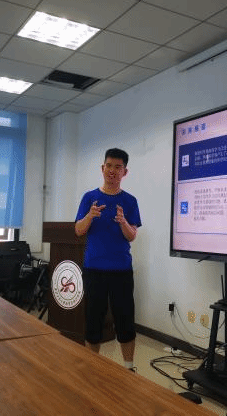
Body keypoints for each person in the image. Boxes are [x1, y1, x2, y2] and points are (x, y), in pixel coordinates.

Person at [75, 148, 142, 371]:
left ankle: (129, 367)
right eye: (109, 166)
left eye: (118, 167)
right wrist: (90, 215)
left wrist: (123, 222)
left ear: (125, 172)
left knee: (125, 319)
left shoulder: (130, 201)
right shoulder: (89, 198)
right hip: (94, 268)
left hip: (121, 270)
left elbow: (132, 235)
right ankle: (91, 366)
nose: (112, 171)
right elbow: (78, 230)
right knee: (93, 319)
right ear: (102, 168)